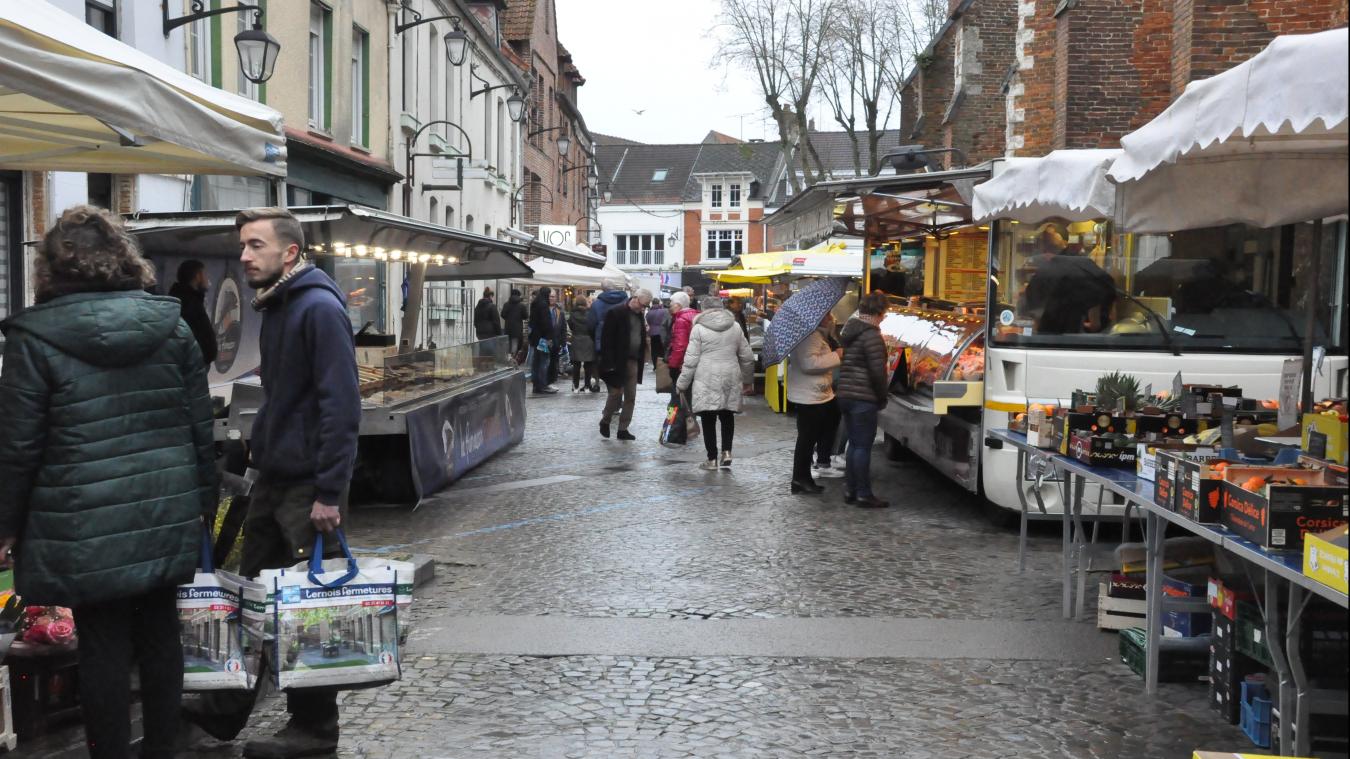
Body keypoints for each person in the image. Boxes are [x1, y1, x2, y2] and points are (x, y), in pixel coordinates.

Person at [0, 205, 216, 759]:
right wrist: (204, 506)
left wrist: (5, 525)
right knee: (161, 635)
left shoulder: (33, 339)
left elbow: (17, 446)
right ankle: (163, 750)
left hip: (83, 519)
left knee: (102, 644)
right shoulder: (172, 325)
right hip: (165, 509)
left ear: (51, 267)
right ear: (124, 257)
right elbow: (199, 428)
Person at [182, 207, 361, 758]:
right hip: (276, 476)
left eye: (255, 245)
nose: (243, 255)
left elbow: (340, 405)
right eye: (242, 245)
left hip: (307, 484)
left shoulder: (318, 308)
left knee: (306, 608)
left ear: (289, 252)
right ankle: (224, 709)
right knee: (257, 594)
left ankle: (314, 728)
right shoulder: (281, 304)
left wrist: (329, 491)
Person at [675, 301, 754, 471]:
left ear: (704, 310)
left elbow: (691, 360)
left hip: (706, 376)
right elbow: (747, 357)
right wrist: (747, 381)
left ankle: (712, 459)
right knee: (727, 415)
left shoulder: (699, 328)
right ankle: (727, 452)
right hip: (730, 375)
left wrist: (682, 383)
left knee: (708, 418)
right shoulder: (735, 326)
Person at [836, 293, 891, 508]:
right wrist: (881, 396)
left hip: (846, 395)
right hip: (863, 397)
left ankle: (851, 489)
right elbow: (877, 372)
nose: (883, 318)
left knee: (854, 445)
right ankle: (863, 493)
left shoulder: (851, 330)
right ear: (878, 313)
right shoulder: (872, 336)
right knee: (862, 446)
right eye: (883, 314)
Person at [1023, 222, 1116, 334]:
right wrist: (1094, 321)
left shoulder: (1044, 271)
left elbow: (1034, 315)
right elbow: (1103, 288)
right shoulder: (1084, 264)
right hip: (1074, 338)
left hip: (1049, 337)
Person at [788, 312, 843, 493]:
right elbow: (809, 364)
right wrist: (837, 355)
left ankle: (803, 478)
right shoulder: (809, 336)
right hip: (809, 395)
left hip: (814, 393)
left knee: (809, 437)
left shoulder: (815, 333)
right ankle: (800, 479)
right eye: (827, 315)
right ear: (818, 317)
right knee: (806, 439)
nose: (831, 317)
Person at [597, 288, 653, 440]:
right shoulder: (616, 313)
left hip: (634, 360)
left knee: (631, 396)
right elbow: (606, 340)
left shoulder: (640, 315)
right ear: (635, 298)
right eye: (643, 305)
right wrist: (609, 363)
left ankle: (623, 429)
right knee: (615, 393)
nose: (644, 308)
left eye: (646, 306)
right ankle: (605, 420)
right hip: (617, 361)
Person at [169, 258, 219, 368]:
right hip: (192, 368)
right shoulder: (189, 303)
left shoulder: (184, 299)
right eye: (205, 275)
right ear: (198, 276)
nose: (207, 279)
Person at [666, 291, 698, 391]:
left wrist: (673, 366)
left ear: (678, 305)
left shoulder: (681, 320)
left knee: (676, 397)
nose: (670, 306)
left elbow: (680, 346)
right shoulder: (696, 315)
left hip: (682, 365)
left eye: (671, 303)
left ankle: (673, 408)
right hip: (694, 363)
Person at [527, 287, 557, 394]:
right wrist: (549, 338)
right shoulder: (543, 305)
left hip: (535, 337)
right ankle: (542, 385)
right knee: (543, 362)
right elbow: (546, 323)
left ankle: (536, 385)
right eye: (549, 295)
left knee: (536, 362)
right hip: (543, 338)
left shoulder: (535, 303)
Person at [589, 278, 629, 352]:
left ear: (602, 289)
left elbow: (591, 326)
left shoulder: (596, 304)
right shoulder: (626, 301)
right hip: (623, 341)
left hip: (603, 343)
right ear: (614, 286)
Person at [568, 295, 599, 392]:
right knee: (588, 365)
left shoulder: (572, 314)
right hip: (589, 340)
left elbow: (571, 326)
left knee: (576, 365)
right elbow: (593, 326)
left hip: (577, 339)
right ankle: (587, 386)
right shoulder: (590, 314)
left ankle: (576, 386)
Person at [545, 289, 570, 386]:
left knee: (554, 362)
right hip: (545, 342)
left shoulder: (560, 312)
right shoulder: (543, 309)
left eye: (553, 296)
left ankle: (552, 380)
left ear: (556, 298)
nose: (551, 298)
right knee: (544, 363)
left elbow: (563, 327)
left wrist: (563, 342)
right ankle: (545, 381)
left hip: (556, 341)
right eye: (550, 296)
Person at [646, 297, 671, 370]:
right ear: (659, 303)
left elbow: (648, 321)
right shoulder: (664, 311)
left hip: (652, 333)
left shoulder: (649, 312)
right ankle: (661, 365)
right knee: (661, 350)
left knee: (654, 350)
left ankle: (654, 366)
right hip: (662, 333)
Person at [500, 288, 527, 356]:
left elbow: (503, 314)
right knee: (515, 343)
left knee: (508, 343)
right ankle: (512, 358)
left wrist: (508, 318)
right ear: (518, 295)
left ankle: (507, 358)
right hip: (517, 328)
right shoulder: (522, 305)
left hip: (508, 327)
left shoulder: (506, 304)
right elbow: (526, 316)